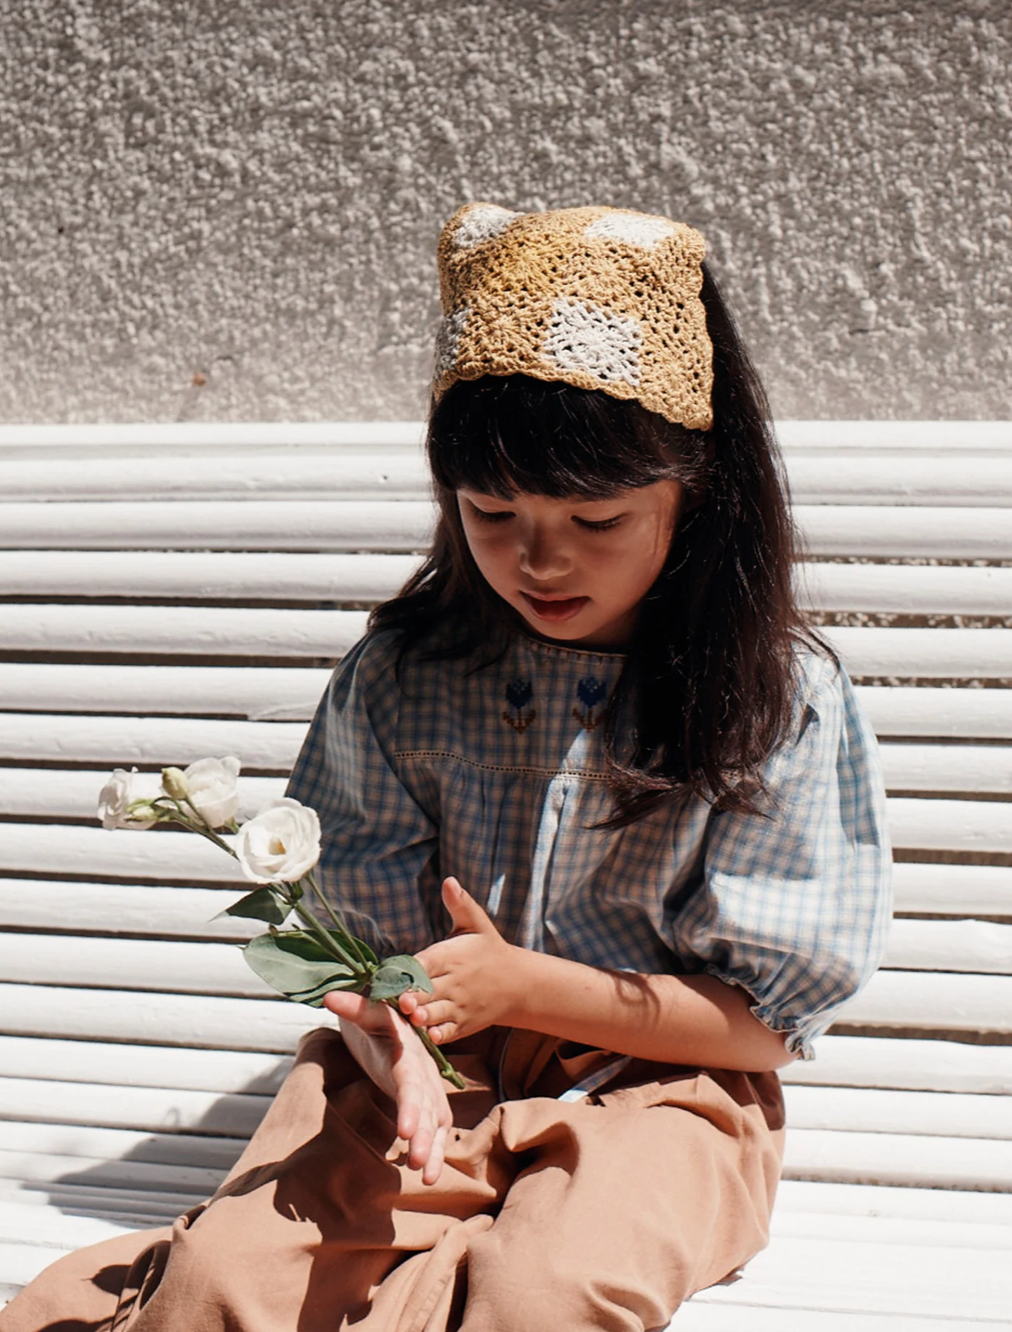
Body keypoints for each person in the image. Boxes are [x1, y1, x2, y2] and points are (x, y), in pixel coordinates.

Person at [1, 203, 892, 1332]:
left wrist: (528, 987)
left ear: (696, 493)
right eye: (491, 510)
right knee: (226, 1282)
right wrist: (393, 1051)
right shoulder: (404, 676)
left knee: (540, 1296)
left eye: (597, 516)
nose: (539, 554)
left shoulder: (775, 700)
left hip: (664, 1091)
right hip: (413, 1072)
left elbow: (765, 1023)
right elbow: (350, 948)